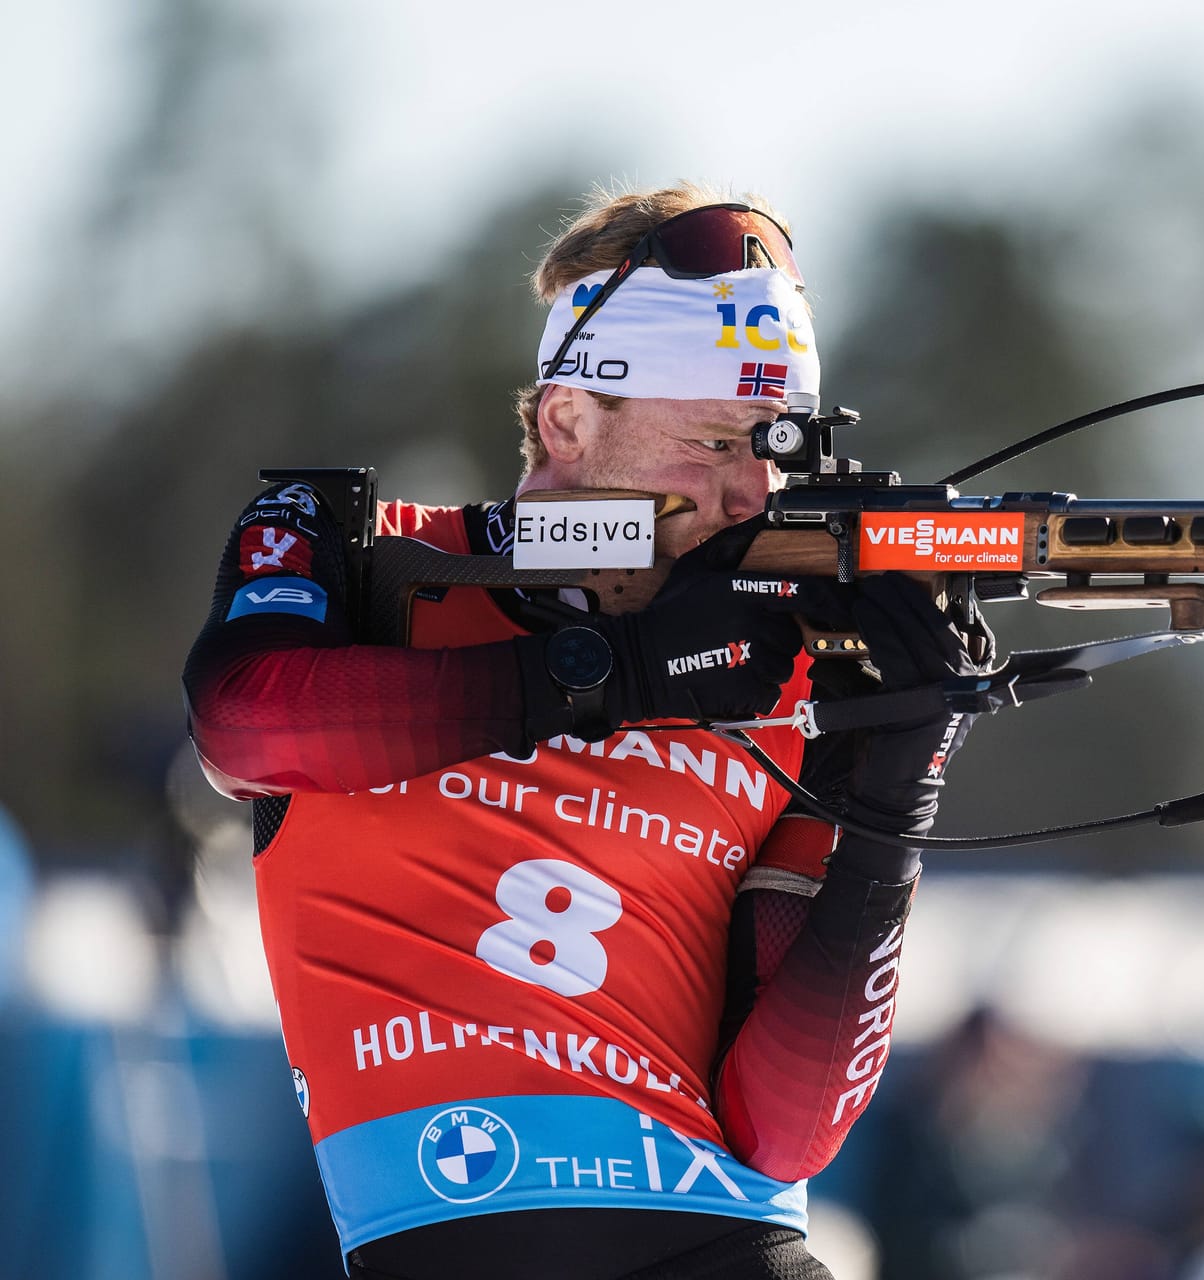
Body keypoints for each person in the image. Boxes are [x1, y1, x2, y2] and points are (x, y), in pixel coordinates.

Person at [182, 183, 987, 1279]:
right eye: (711, 441)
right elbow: (245, 721)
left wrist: (896, 788)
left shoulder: (796, 661)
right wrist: (620, 670)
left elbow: (786, 1130)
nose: (752, 490)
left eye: (778, 447)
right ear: (567, 419)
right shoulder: (371, 553)